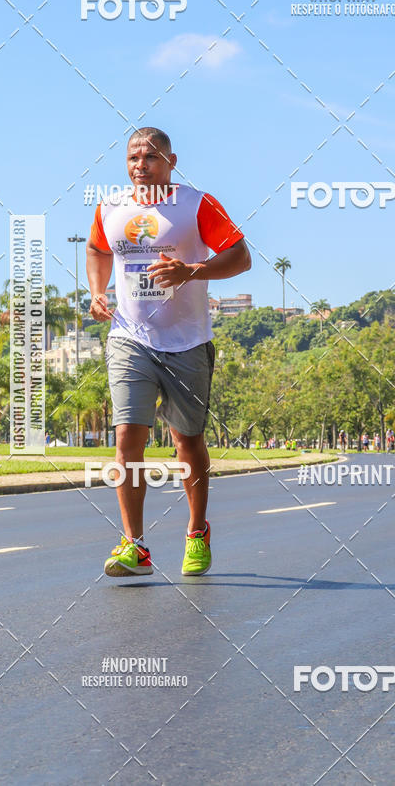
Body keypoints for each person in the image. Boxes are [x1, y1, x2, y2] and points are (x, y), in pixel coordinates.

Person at [87, 127, 251, 578]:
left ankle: (197, 531)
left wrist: (191, 271)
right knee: (127, 438)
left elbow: (241, 257)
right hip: (129, 337)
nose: (142, 166)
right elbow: (97, 249)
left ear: (172, 161)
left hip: (187, 341)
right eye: (134, 158)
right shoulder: (111, 207)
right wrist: (97, 292)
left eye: (152, 158)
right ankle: (134, 544)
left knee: (186, 442)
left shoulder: (197, 204)